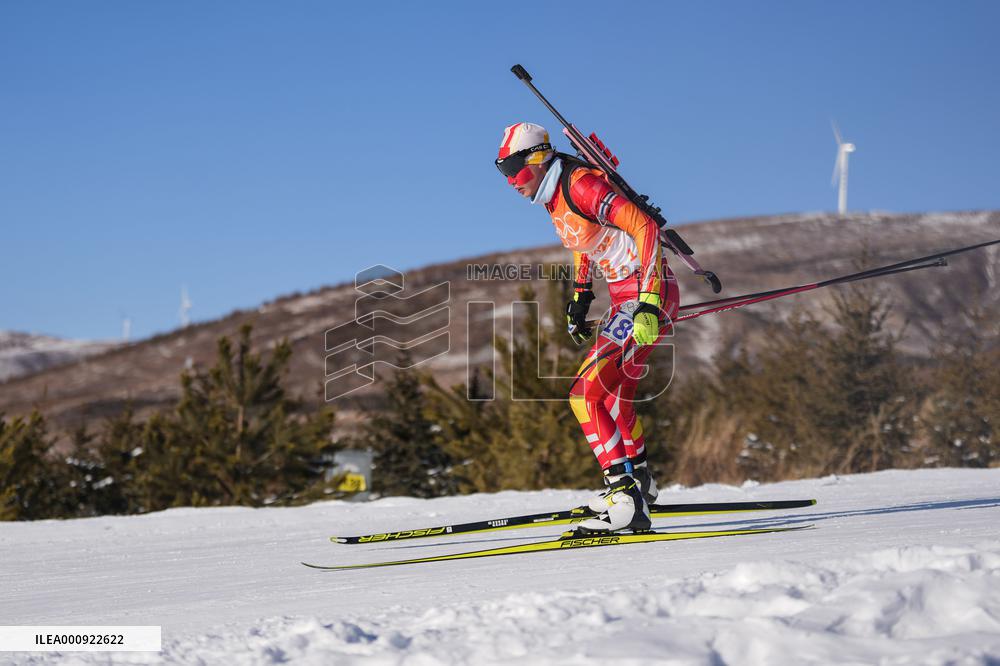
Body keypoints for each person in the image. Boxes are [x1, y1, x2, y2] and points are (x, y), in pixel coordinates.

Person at [496, 122, 680, 533]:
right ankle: (640, 485)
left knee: (584, 395)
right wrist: (581, 295)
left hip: (643, 293)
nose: (510, 181)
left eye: (513, 169)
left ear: (537, 159)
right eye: (502, 172)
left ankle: (625, 499)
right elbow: (587, 243)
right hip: (623, 297)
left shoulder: (580, 185)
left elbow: (645, 226)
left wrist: (649, 301)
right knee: (615, 395)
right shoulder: (553, 196)